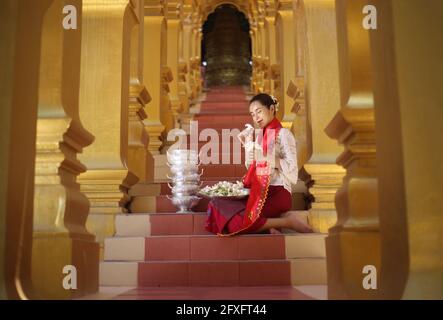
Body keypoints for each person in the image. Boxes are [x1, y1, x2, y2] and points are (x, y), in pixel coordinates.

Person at [205, 93, 313, 236]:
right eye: (252, 114)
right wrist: (248, 145)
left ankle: (288, 222)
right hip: (258, 190)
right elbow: (253, 168)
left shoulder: (284, 134)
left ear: (272, 109)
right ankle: (269, 224)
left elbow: (292, 171)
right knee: (216, 204)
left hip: (277, 193)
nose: (256, 117)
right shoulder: (260, 137)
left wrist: (264, 156)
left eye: (259, 111)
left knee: (237, 222)